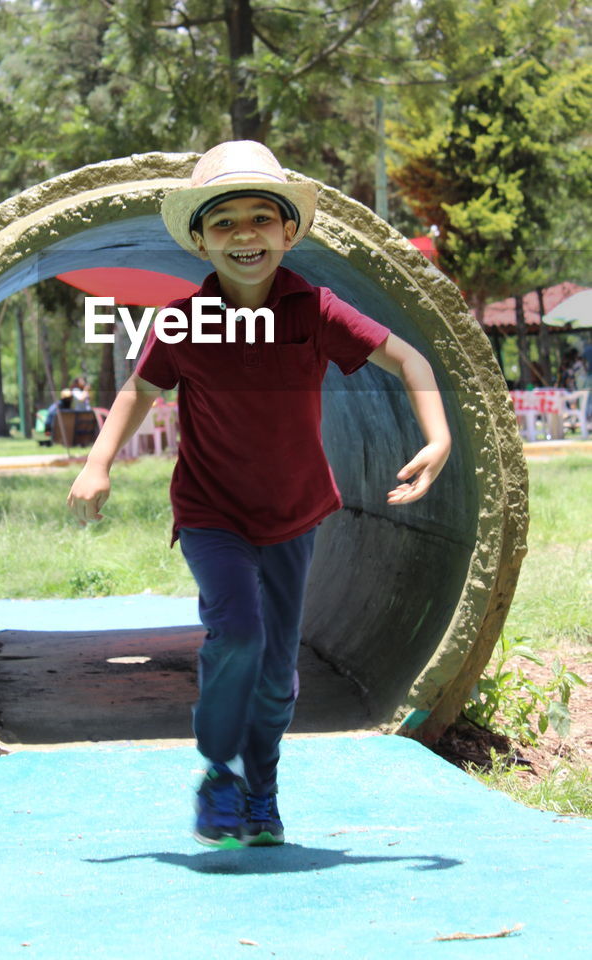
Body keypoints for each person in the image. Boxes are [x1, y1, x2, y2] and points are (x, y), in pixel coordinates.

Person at [67, 141, 451, 850]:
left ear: (288, 232)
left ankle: (261, 790)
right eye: (224, 223)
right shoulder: (184, 318)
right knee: (236, 633)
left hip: (294, 514)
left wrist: (436, 436)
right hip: (212, 513)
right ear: (201, 240)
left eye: (259, 219)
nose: (244, 235)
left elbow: (406, 356)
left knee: (277, 675)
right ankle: (217, 773)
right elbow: (137, 390)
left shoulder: (315, 308)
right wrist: (99, 464)